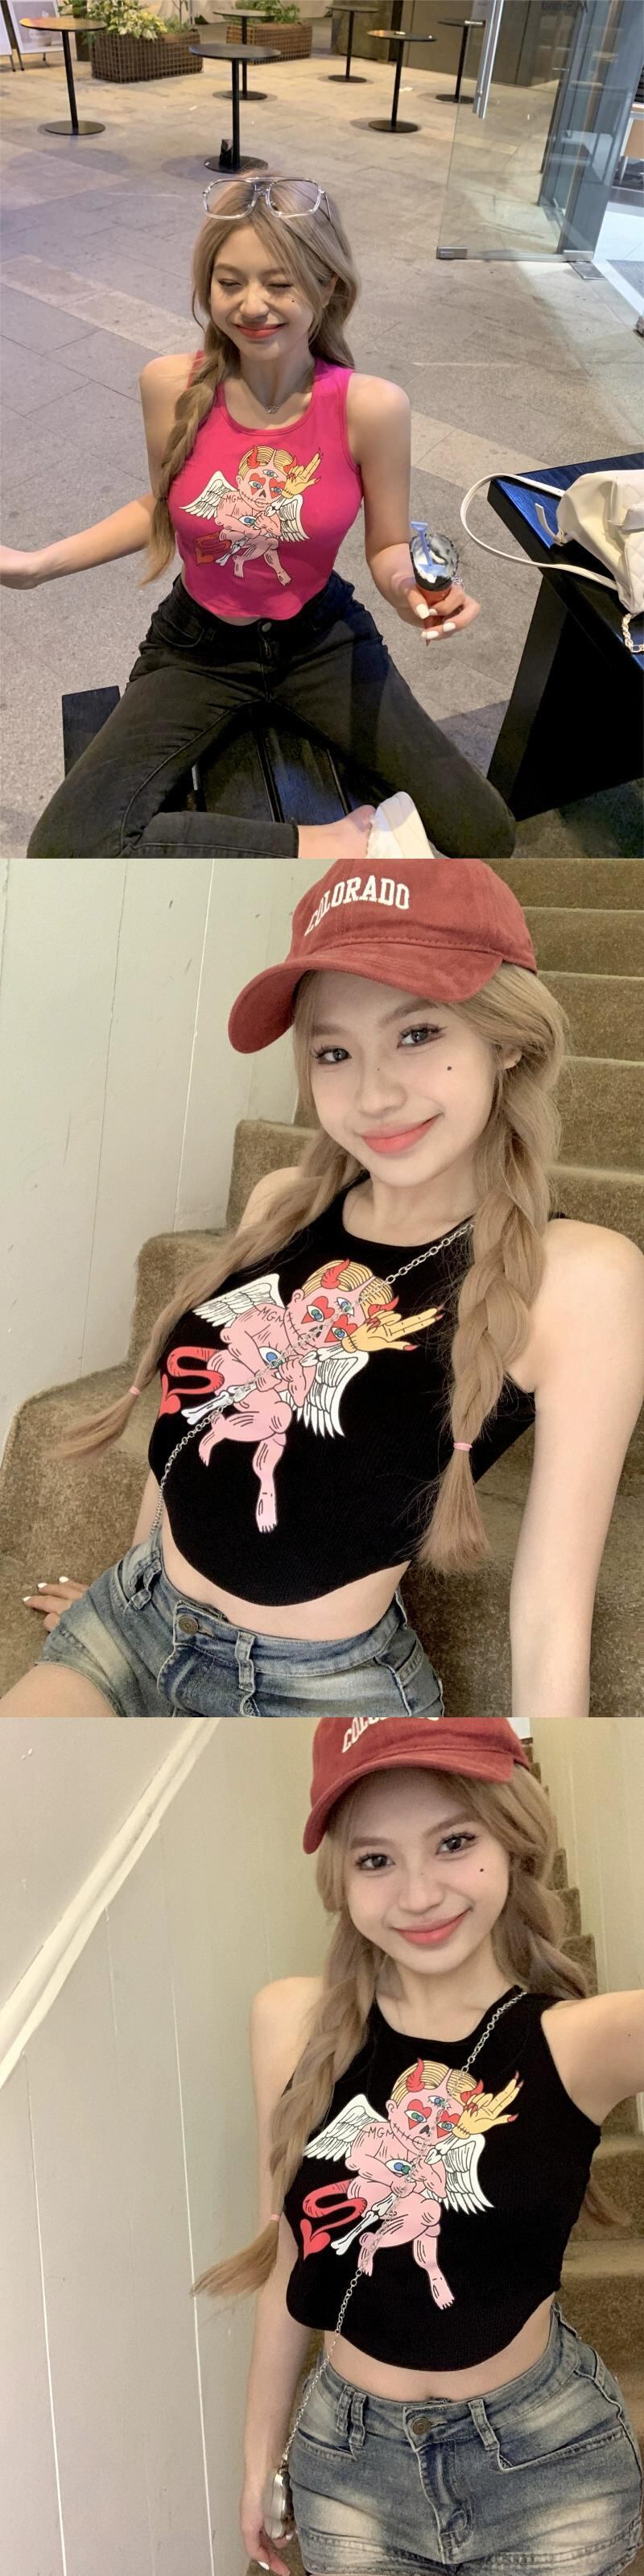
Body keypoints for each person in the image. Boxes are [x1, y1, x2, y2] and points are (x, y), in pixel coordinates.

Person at [8, 855, 643, 1720]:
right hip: (135, 1615)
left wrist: (543, 1774)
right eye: (334, 1051)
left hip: (314, 1688)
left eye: (418, 1034)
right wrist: (132, 1578)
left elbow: (549, 1614)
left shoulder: (580, 1278)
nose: (374, 1095)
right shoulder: (281, 1203)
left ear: (505, 1040)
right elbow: (196, 1415)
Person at [196, 1714, 644, 2576]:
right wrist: (257, 2459)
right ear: (340, 1878)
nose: (418, 1895)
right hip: (346, 2467)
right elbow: (291, 2256)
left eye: (453, 1842)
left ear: (513, 1840)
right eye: (376, 1860)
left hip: (549, 2464)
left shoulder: (583, 2040)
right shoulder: (290, 2023)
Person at [0, 172, 514, 863]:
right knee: (68, 845)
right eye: (229, 282)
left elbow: (389, 546)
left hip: (321, 638)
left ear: (327, 285)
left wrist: (411, 590)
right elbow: (162, 506)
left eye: (279, 283)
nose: (251, 306)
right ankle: (314, 844)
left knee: (485, 833)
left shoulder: (371, 407)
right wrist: (36, 566)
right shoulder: (169, 385)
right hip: (199, 645)